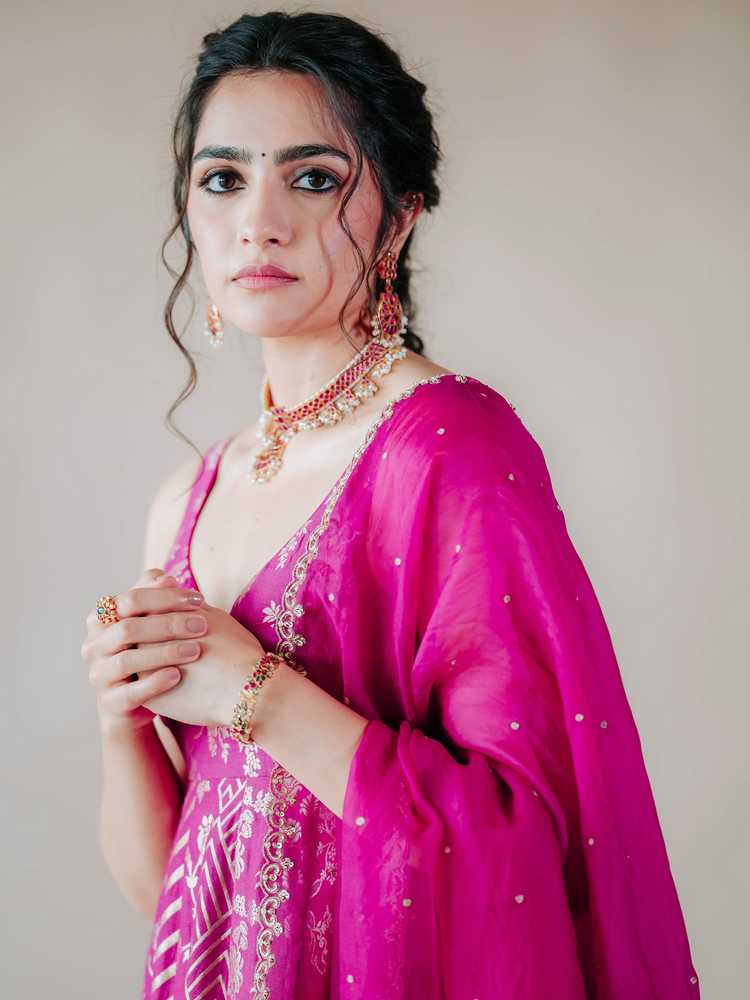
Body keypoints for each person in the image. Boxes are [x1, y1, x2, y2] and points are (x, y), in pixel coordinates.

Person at [80, 11, 700, 999]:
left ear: (399, 217)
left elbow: (518, 852)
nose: (259, 220)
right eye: (223, 178)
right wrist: (121, 718)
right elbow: (177, 902)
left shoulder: (447, 448)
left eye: (314, 178)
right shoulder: (186, 500)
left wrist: (255, 693)